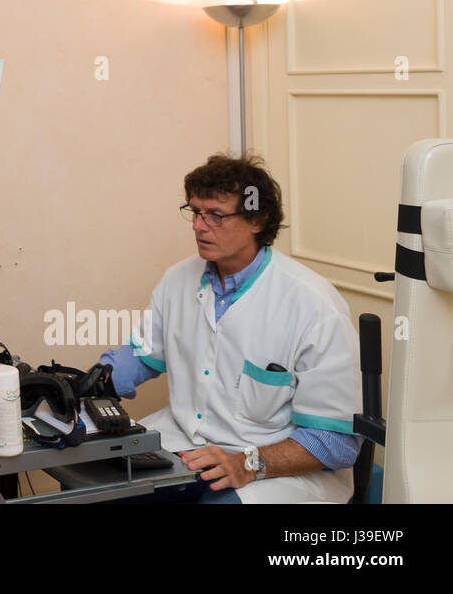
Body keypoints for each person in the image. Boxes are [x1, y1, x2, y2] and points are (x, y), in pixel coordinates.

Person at [99, 154, 362, 503]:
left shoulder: (315, 306)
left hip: (271, 469)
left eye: (216, 216)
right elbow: (145, 354)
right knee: (100, 492)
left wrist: (249, 463)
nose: (199, 226)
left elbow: (337, 442)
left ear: (257, 220)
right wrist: (91, 381)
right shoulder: (177, 279)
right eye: (195, 213)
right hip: (184, 445)